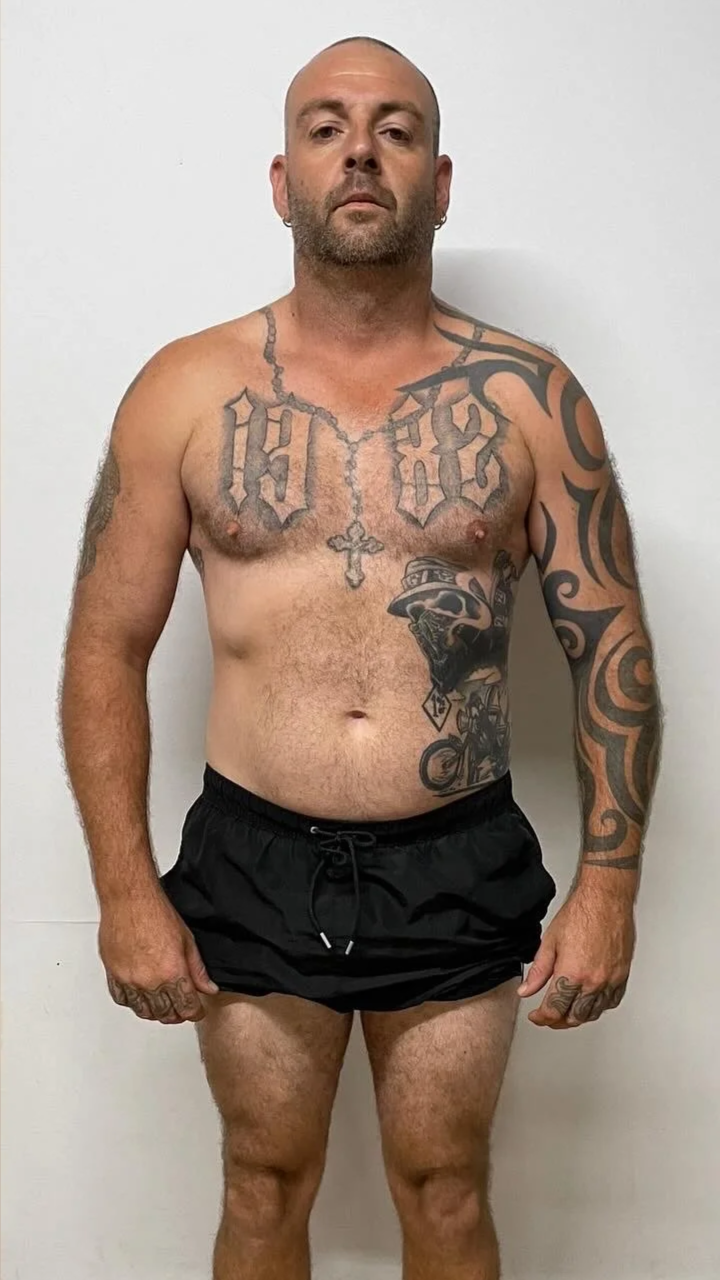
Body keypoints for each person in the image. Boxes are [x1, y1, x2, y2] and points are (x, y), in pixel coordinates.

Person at [59, 33, 662, 1280]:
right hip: (253, 849)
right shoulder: (184, 389)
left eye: (396, 128)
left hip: (455, 849)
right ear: (282, 180)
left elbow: (611, 644)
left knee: (444, 1186)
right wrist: (123, 887)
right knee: (262, 1178)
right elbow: (105, 648)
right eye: (327, 127)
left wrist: (611, 884)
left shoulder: (531, 398)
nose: (361, 153)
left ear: (440, 180)